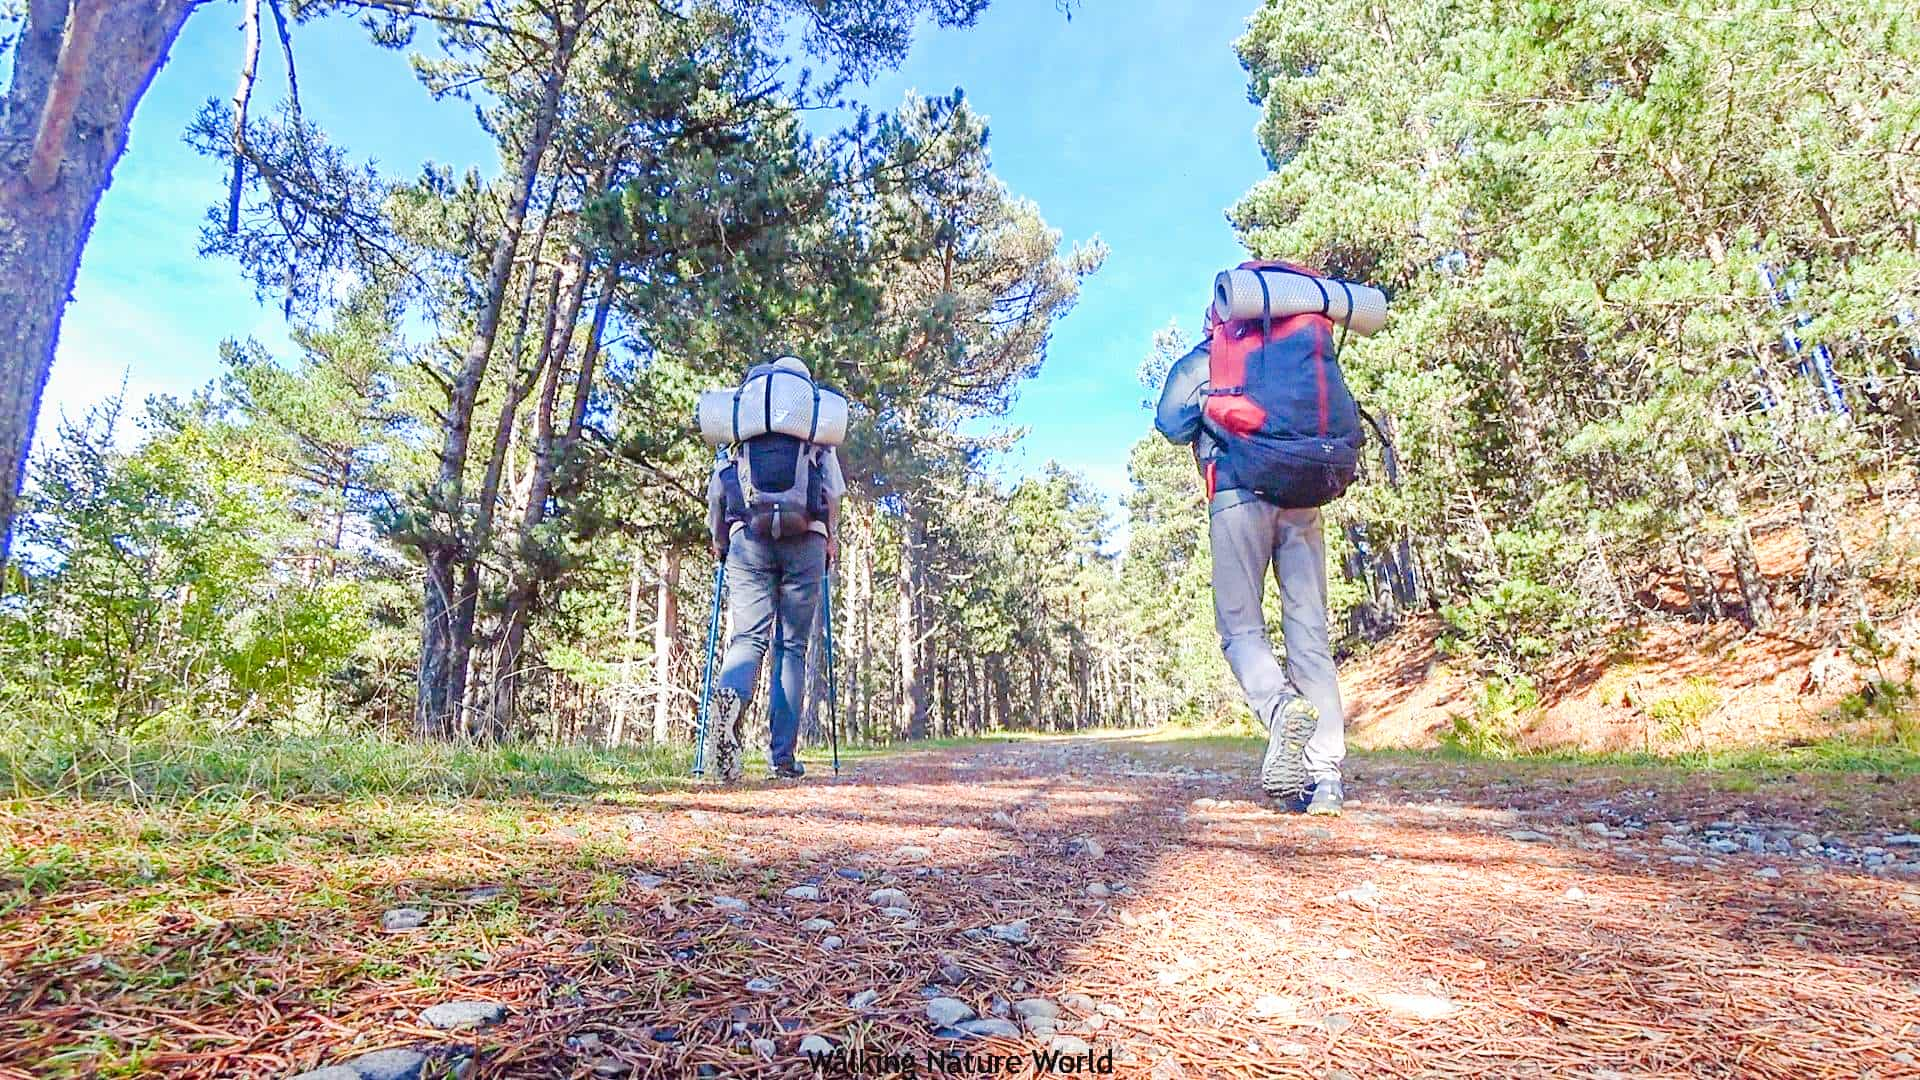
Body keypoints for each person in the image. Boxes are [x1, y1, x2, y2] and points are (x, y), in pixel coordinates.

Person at [1154, 329, 1347, 815]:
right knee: (1309, 630)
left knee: (1240, 628)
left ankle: (1282, 709)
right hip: (1304, 495)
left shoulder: (1215, 355)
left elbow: (1171, 422)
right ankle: (1326, 777)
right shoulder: (1303, 354)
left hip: (1238, 495)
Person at [705, 356, 847, 782]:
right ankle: (782, 760)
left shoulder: (743, 431)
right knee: (791, 648)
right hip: (807, 541)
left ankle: (730, 698)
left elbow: (718, 491)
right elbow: (834, 492)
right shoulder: (815, 432)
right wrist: (830, 537)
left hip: (748, 538)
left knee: (747, 638)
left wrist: (718, 539)